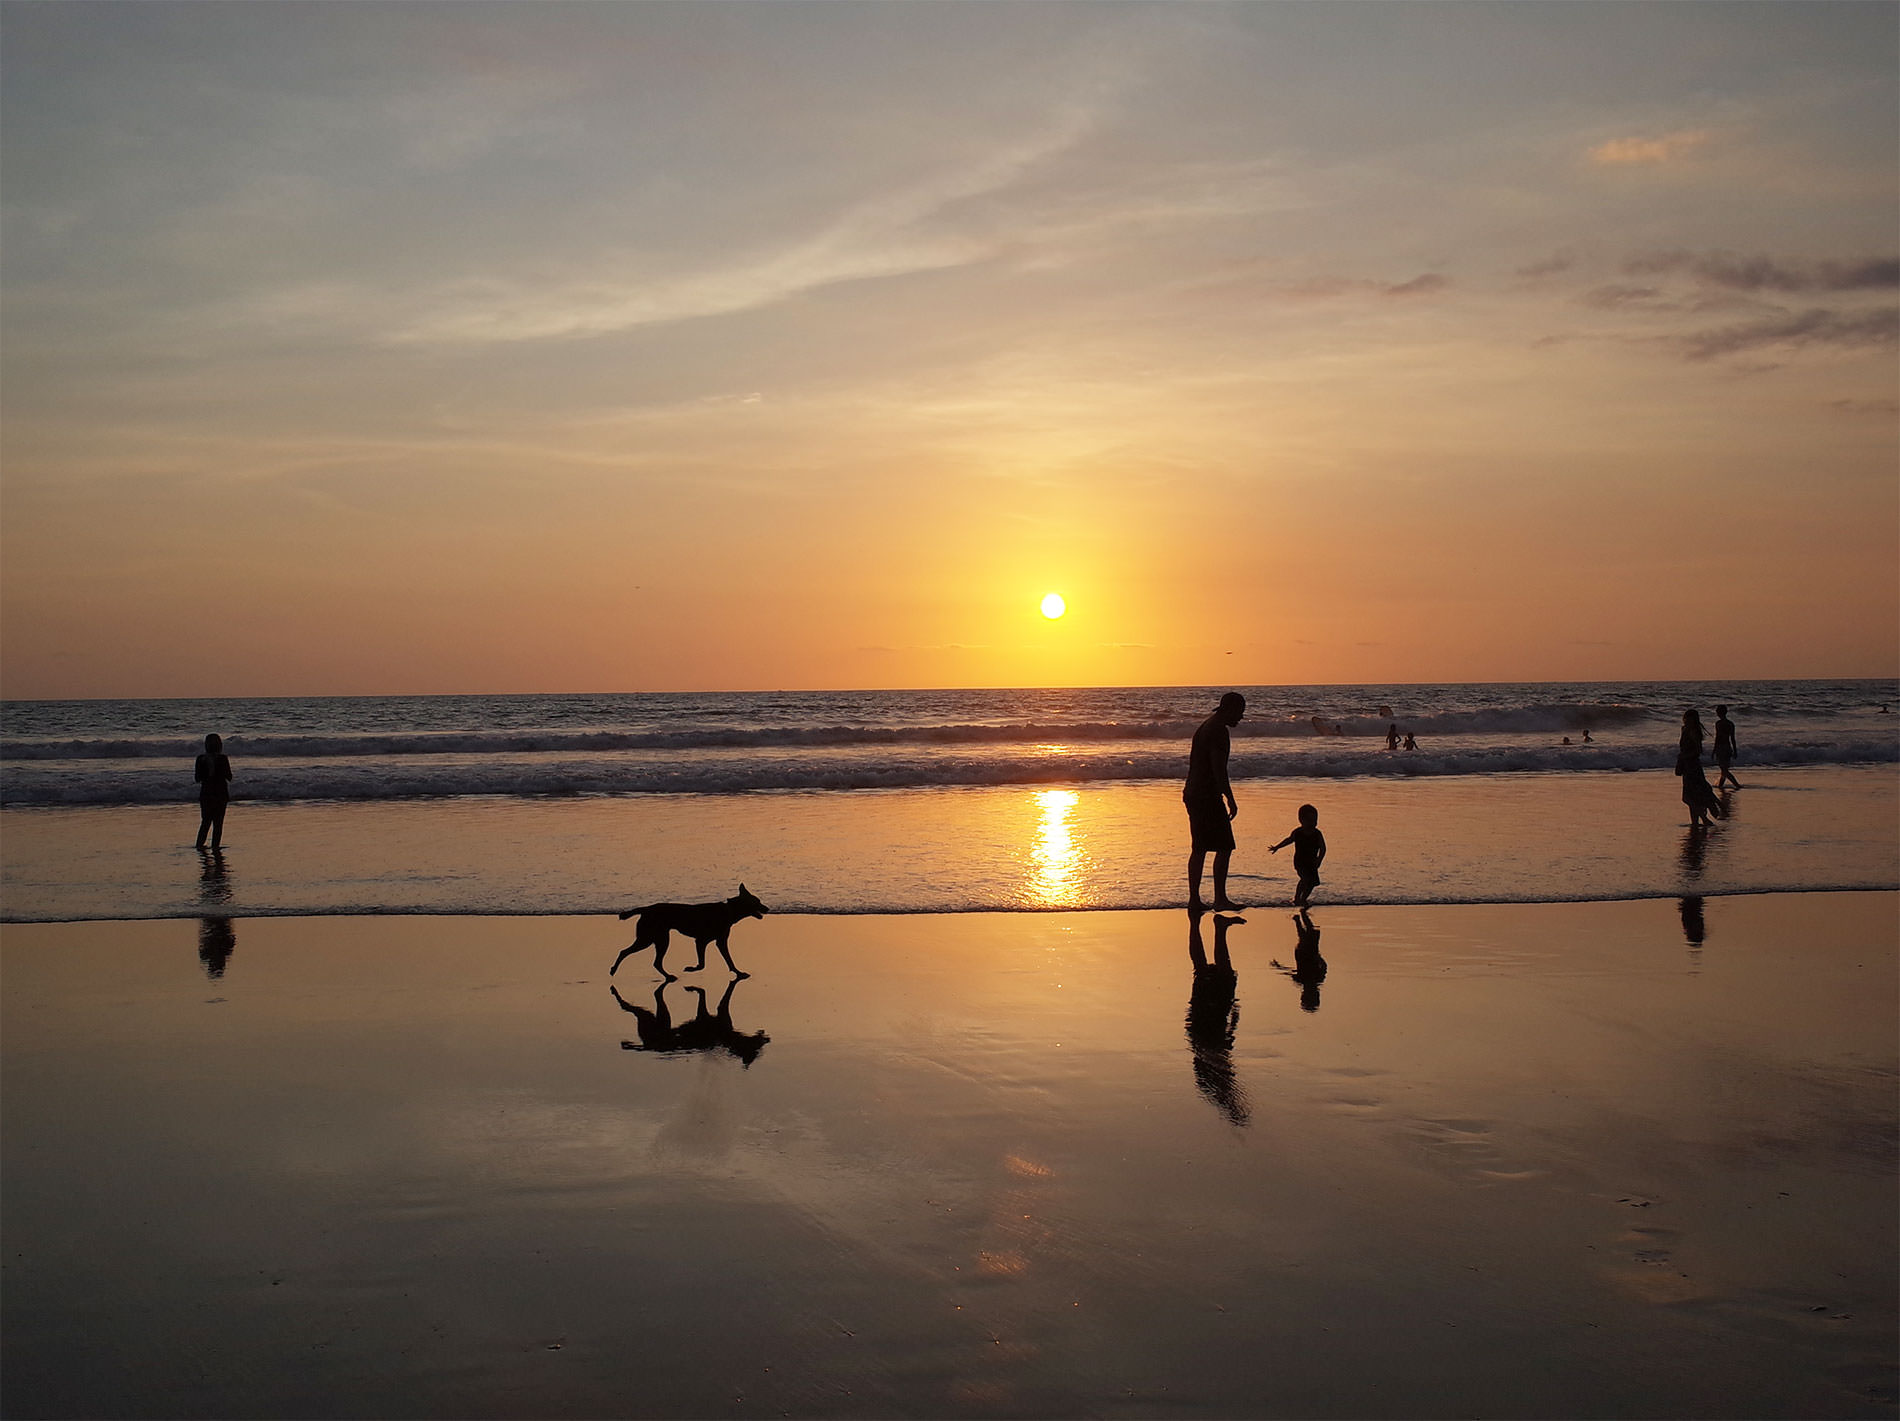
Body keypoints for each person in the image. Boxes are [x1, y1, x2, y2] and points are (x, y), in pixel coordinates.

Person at [1184, 692, 1245, 911]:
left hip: (1193, 792)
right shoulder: (1218, 731)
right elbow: (1219, 768)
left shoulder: (1206, 726)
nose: (1240, 718)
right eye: (1239, 713)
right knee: (1225, 846)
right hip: (1206, 795)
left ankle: (1194, 900)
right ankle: (1220, 899)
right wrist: (1230, 797)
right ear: (1229, 709)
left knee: (1200, 847)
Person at [1269, 803, 1326, 907]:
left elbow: (1323, 848)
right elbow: (1288, 840)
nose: (1313, 823)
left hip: (1312, 862)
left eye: (1315, 820)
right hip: (1300, 861)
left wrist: (1319, 860)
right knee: (1305, 879)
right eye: (1310, 820)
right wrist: (1277, 847)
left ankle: (1303, 898)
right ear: (1301, 820)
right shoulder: (1298, 832)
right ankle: (1296, 897)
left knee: (1312, 882)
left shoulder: (1317, 833)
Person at [1676, 710, 1725, 827]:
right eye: (1686, 718)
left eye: (1689, 718)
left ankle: (1704, 819)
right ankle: (1696, 822)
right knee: (1693, 796)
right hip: (1687, 765)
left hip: (1692, 766)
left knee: (1688, 797)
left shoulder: (1694, 731)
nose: (1686, 720)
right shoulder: (1684, 729)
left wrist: (1684, 757)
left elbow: (1698, 751)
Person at [193, 733, 233, 849]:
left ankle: (199, 846)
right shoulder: (223, 758)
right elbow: (229, 777)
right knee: (218, 824)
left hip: (206, 794)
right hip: (220, 794)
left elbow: (197, 778)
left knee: (205, 822)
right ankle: (215, 847)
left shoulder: (200, 759)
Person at [1712, 704, 1739, 790]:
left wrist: (1714, 750)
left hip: (1721, 748)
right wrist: (1735, 750)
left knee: (1724, 770)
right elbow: (1733, 739)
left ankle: (1737, 785)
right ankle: (1720, 786)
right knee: (1724, 769)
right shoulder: (1731, 724)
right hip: (1728, 747)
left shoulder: (1719, 723)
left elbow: (1718, 737)